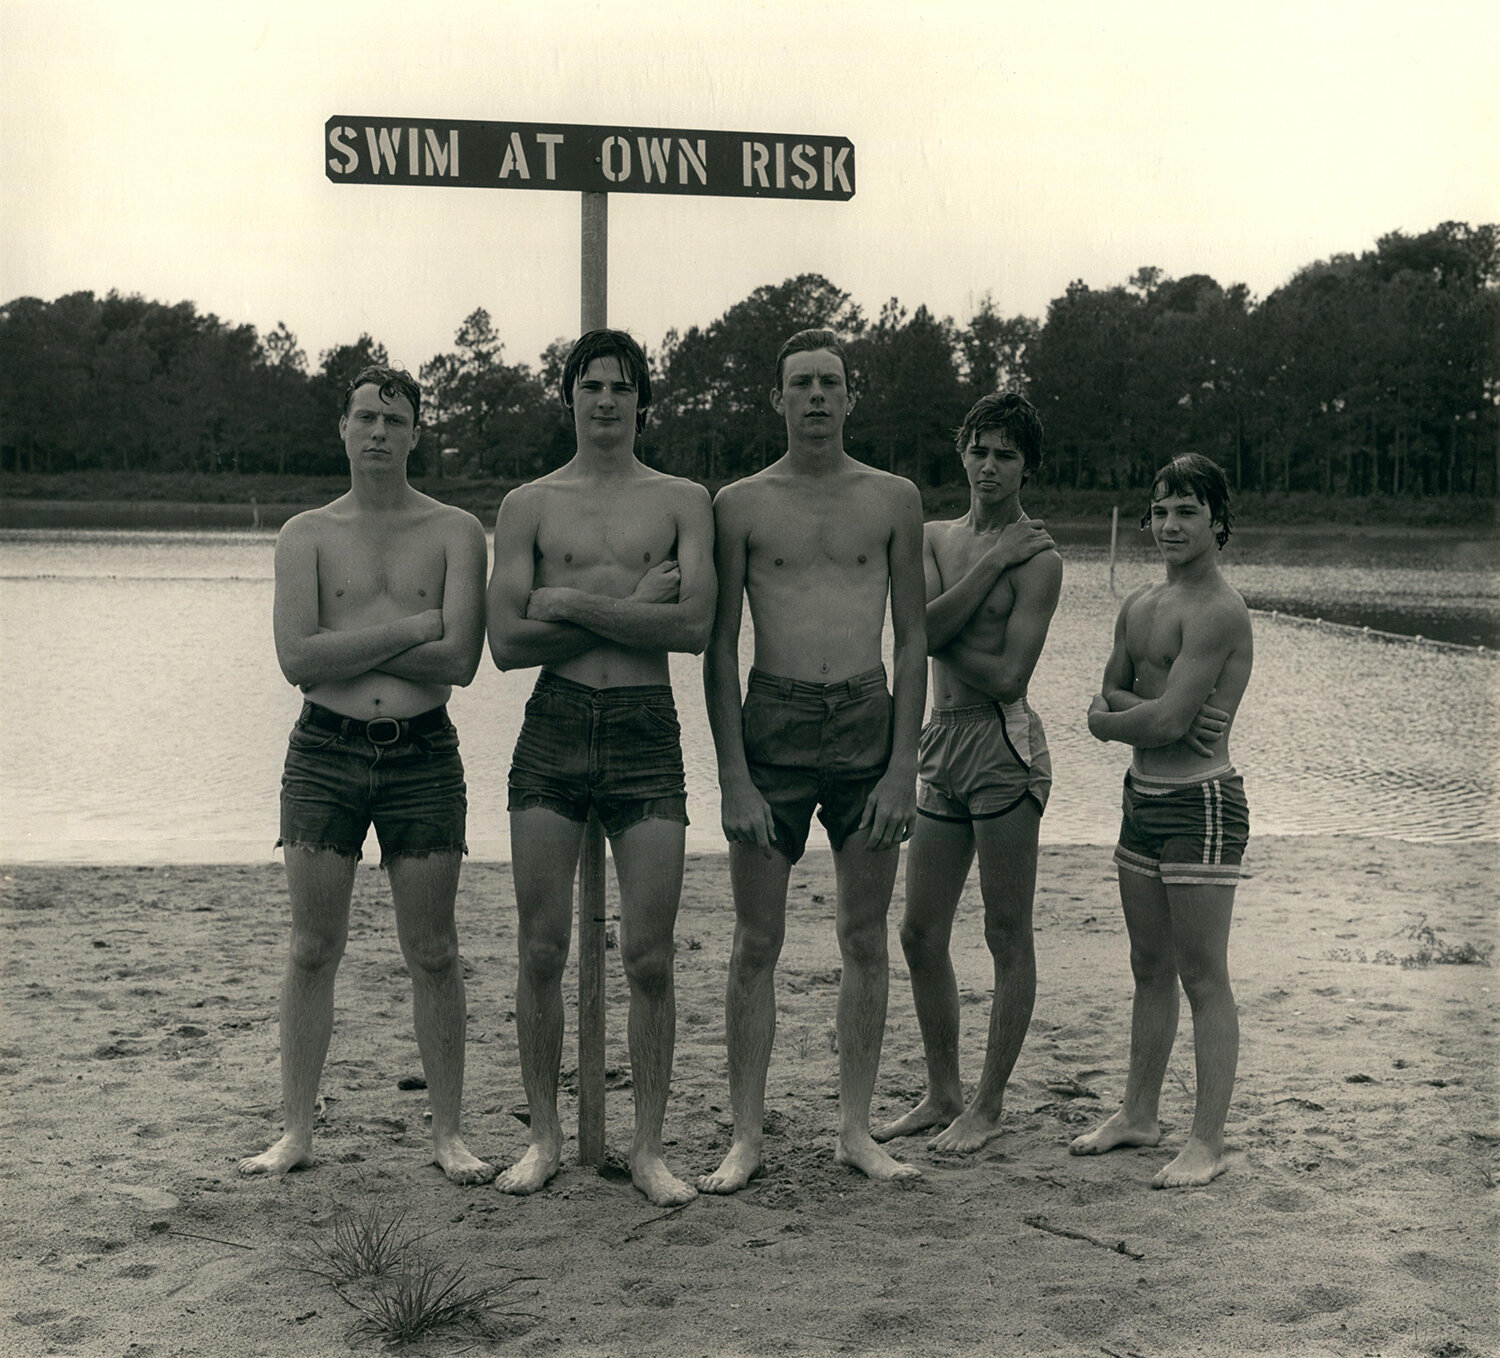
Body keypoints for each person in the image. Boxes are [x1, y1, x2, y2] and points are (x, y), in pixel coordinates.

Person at [241, 366, 493, 1184]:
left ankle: (449, 1134)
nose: (378, 431)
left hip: (423, 751)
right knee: (314, 947)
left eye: (395, 418)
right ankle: (296, 1132)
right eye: (364, 417)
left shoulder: (456, 531)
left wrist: (371, 639)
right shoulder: (305, 534)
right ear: (342, 429)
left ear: (418, 432)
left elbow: (458, 662)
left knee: (434, 949)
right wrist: (416, 622)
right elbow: (296, 660)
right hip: (324, 754)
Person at [486, 329, 713, 1207]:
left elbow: (691, 628)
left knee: (649, 955)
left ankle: (649, 1149)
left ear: (642, 402)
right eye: (591, 385)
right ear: (570, 398)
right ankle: (543, 1137)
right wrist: (625, 604)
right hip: (555, 725)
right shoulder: (528, 505)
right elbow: (507, 642)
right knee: (541, 948)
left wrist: (570, 603)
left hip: (646, 728)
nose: (607, 401)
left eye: (622, 387)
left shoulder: (684, 500)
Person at [699, 329, 927, 1193]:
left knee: (865, 937)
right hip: (776, 722)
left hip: (869, 719)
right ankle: (747, 1135)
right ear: (778, 399)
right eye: (802, 384)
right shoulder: (741, 504)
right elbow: (718, 649)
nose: (818, 398)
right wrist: (732, 775)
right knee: (756, 940)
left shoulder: (893, 498)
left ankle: (856, 1129)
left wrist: (905, 764)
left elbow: (914, 641)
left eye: (831, 383)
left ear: (850, 397)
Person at [873, 394, 1061, 1154]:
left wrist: (933, 631)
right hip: (939, 742)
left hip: (1003, 746)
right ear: (962, 453)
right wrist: (989, 568)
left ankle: (987, 1105)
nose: (990, 466)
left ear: (1027, 467)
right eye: (980, 450)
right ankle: (943, 1090)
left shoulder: (1041, 559)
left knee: (1005, 929)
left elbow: (1010, 676)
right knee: (920, 932)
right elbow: (911, 633)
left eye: (1006, 455)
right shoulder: (934, 537)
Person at [1070, 452, 1253, 1188]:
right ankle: (1139, 1115)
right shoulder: (1139, 604)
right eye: (1161, 510)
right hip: (1140, 800)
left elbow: (1166, 716)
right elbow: (1115, 697)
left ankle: (1207, 1141)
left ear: (1217, 522)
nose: (1170, 524)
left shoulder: (1218, 610)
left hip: (1201, 803)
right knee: (1148, 967)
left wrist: (1123, 718)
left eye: (1187, 511)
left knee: (1202, 974)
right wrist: (1138, 719)